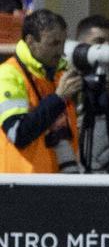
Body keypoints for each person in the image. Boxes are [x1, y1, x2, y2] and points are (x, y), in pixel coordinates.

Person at [0, 9, 83, 173]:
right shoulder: (8, 74)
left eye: (63, 43)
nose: (61, 51)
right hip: (19, 184)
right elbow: (18, 133)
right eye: (53, 43)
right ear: (31, 41)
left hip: (56, 182)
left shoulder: (60, 74)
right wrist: (58, 98)